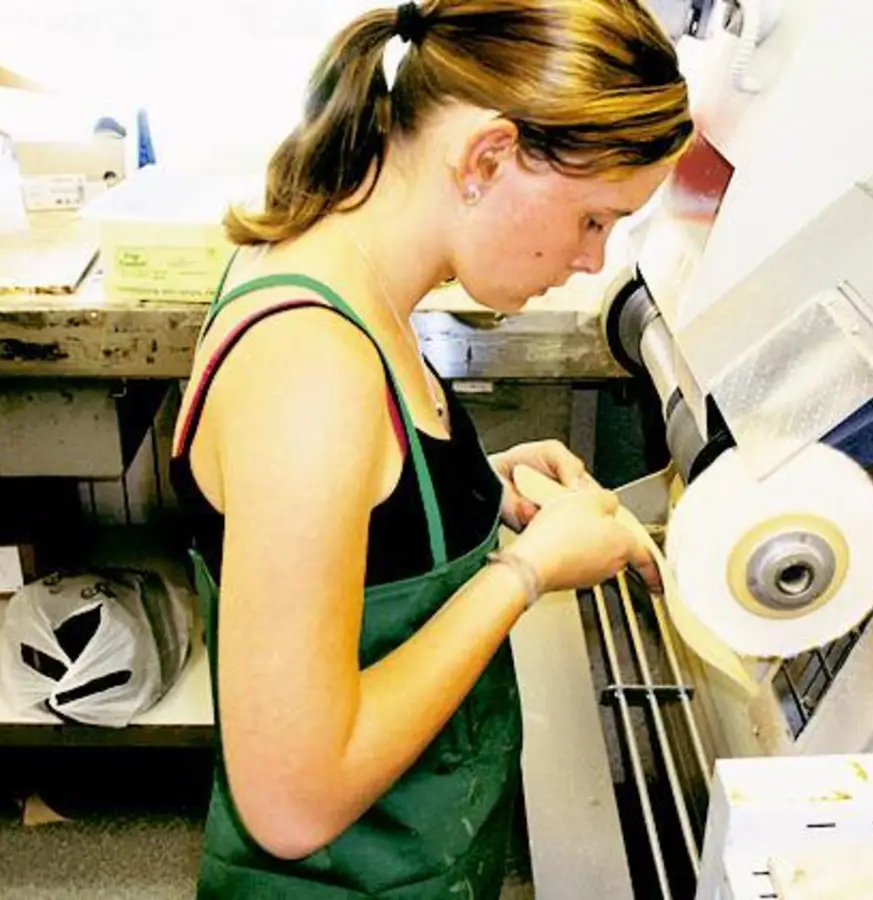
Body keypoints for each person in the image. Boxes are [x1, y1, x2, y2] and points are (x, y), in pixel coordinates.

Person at [169, 1, 691, 895]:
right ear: (487, 156)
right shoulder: (313, 365)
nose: (593, 261)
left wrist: (468, 489)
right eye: (594, 219)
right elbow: (291, 805)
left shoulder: (340, 269)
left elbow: (346, 522)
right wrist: (523, 573)